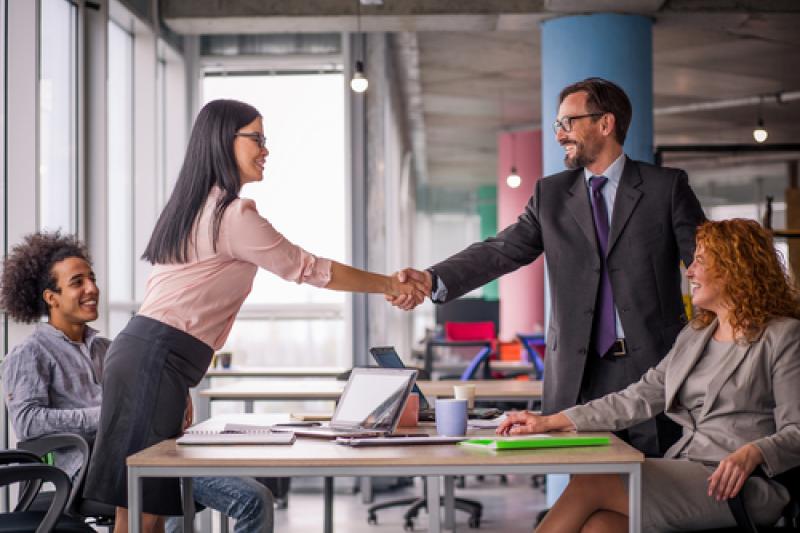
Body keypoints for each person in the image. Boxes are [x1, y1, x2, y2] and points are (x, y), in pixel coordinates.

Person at [81, 99, 425, 532]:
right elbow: (310, 268)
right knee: (145, 517)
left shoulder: (190, 209)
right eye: (257, 138)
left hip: (146, 356)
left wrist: (177, 382)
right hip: (156, 359)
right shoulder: (232, 215)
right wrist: (391, 285)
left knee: (134, 511)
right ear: (225, 141)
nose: (266, 150)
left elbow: (165, 301)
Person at [388, 77, 706, 456]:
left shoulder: (665, 187)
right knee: (587, 482)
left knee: (652, 482)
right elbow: (501, 250)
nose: (559, 135)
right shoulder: (551, 194)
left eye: (568, 123)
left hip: (654, 367)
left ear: (605, 124)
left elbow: (709, 264)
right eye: (558, 124)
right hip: (577, 372)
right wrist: (431, 278)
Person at [497, 218, 800, 532]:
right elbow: (638, 397)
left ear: (736, 268)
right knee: (601, 527)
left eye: (700, 260)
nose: (690, 271)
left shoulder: (783, 336)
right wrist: (549, 421)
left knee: (593, 481)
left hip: (742, 483)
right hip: (686, 467)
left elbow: (798, 430)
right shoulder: (695, 336)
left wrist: (753, 452)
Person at [0, 232, 274, 533]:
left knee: (177, 498)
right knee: (252, 501)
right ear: (51, 298)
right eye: (77, 282)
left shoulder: (112, 348)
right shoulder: (30, 353)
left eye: (92, 279)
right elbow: (28, 423)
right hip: (91, 469)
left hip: (147, 450)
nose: (92, 289)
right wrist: (111, 416)